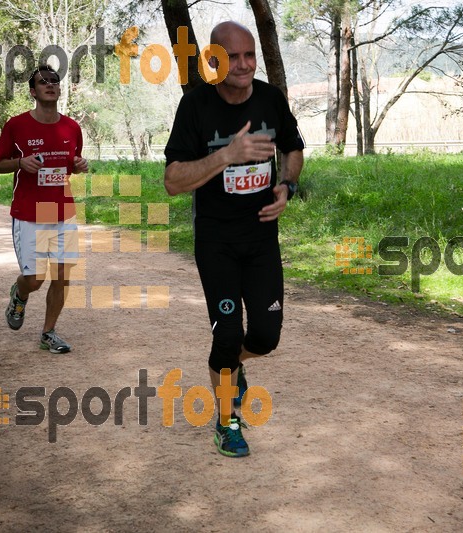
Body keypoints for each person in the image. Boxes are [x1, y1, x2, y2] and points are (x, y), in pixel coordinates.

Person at [164, 21, 305, 457]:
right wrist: (227, 154)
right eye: (232, 56)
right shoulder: (195, 107)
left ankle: (231, 369)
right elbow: (172, 180)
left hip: (262, 238)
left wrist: (287, 186)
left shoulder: (270, 99)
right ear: (213, 61)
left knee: (264, 337)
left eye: (249, 56)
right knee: (227, 336)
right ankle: (227, 422)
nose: (243, 65)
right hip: (217, 242)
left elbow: (294, 147)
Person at [0, 65, 88, 354]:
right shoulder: (16, 125)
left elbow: (73, 162)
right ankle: (19, 294)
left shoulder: (72, 127)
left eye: (54, 81)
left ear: (59, 89)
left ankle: (48, 333)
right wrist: (20, 163)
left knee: (62, 275)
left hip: (62, 211)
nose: (50, 85)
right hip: (29, 213)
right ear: (33, 92)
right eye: (42, 82)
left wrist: (80, 165)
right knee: (35, 280)